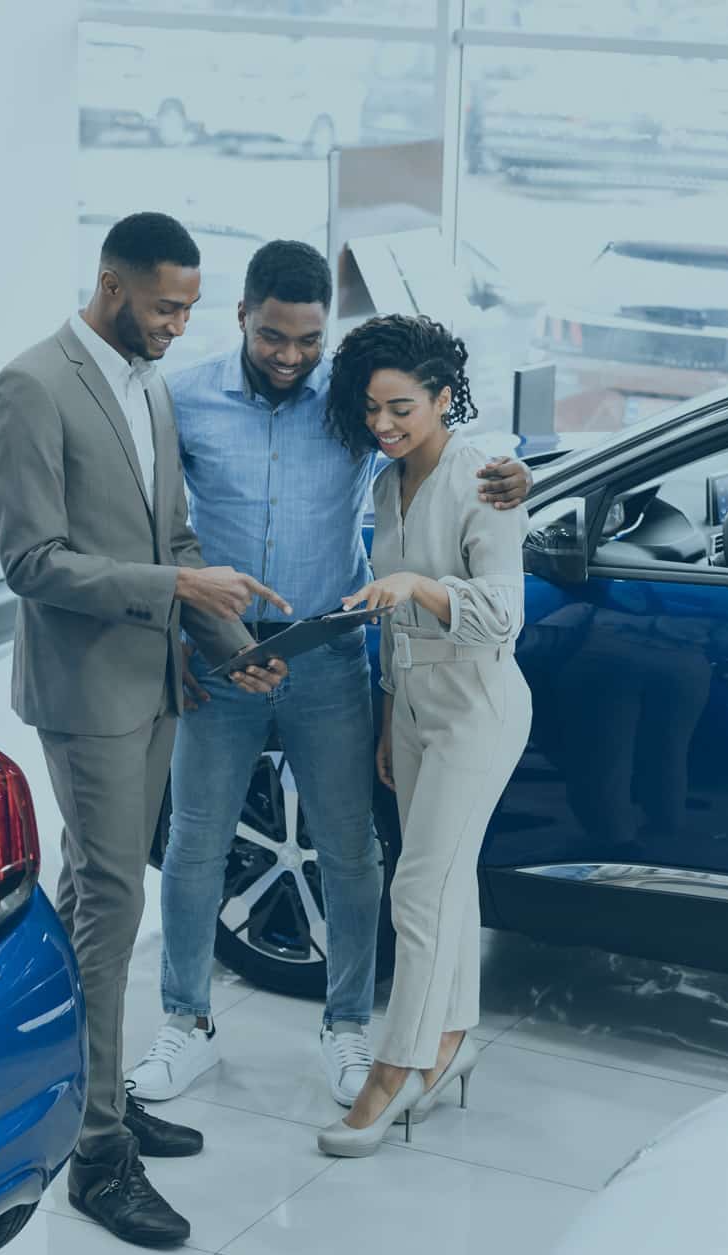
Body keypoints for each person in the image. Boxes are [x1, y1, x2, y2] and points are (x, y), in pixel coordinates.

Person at [128, 242, 531, 1111]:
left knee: (352, 852)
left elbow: (436, 440)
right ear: (241, 314)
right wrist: (202, 633)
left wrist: (519, 471)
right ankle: (185, 1025)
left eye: (308, 340)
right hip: (222, 653)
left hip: (331, 653)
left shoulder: (352, 409)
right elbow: (163, 531)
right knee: (196, 844)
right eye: (274, 335)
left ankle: (348, 1027)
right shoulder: (182, 399)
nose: (289, 356)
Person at [0, 212, 289, 1249]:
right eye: (165, 307)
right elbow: (31, 563)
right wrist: (173, 585)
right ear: (111, 285)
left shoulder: (145, 382)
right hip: (86, 695)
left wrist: (228, 645)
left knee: (92, 894)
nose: (177, 326)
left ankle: (89, 1087)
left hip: (157, 681)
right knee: (113, 898)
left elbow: (177, 537)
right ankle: (96, 1152)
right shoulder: (31, 386)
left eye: (189, 310)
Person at [316, 315, 532, 1157]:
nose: (383, 424)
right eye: (371, 409)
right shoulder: (385, 482)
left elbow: (502, 615)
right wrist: (384, 715)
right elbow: (390, 625)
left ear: (445, 396)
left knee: (417, 889)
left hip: (477, 705)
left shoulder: (484, 479)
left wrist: (419, 583)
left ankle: (396, 1066)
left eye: (401, 406)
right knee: (448, 880)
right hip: (410, 705)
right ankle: (450, 1040)